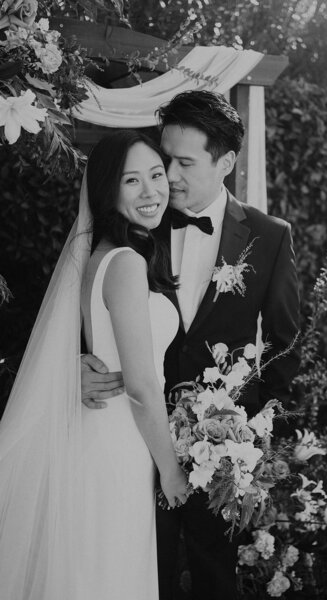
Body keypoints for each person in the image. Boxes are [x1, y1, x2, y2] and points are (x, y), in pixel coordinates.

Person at [82, 91, 300, 600]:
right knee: (135, 576)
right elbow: (94, 312)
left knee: (215, 581)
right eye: (164, 160)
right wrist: (79, 363)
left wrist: (246, 438)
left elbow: (285, 348)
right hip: (130, 445)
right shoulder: (135, 222)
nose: (168, 177)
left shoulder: (269, 237)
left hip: (219, 457)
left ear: (225, 163)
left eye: (183, 163)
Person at [0, 130, 187, 600]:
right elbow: (142, 385)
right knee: (110, 574)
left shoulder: (101, 256)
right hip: (119, 442)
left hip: (102, 433)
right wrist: (171, 470)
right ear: (108, 191)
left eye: (156, 175)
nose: (151, 191)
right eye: (132, 181)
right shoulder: (124, 263)